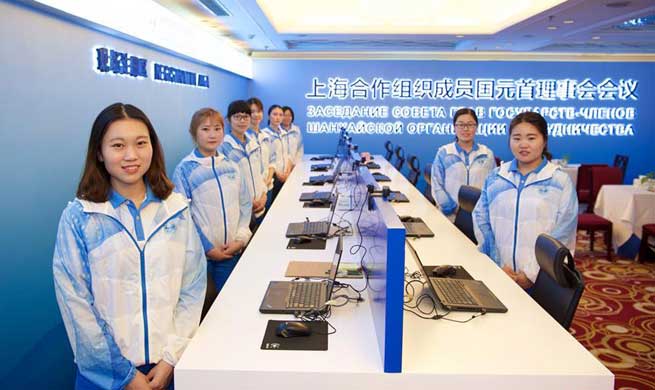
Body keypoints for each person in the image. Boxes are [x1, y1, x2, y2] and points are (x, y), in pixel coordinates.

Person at [53, 103, 206, 390]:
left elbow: (193, 286)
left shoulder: (175, 208)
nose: (131, 155)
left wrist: (171, 359)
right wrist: (124, 375)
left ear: (153, 147)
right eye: (118, 145)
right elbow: (76, 303)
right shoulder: (81, 217)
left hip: (167, 369)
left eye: (140, 143)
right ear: (99, 152)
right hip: (106, 375)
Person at [473, 111, 578, 289]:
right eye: (516, 138)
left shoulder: (559, 181)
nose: (523, 144)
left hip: (542, 278)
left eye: (531, 138)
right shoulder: (497, 177)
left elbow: (563, 234)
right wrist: (498, 265)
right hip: (500, 273)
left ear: (544, 141)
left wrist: (531, 274)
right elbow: (481, 219)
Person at [172, 108, 252, 295]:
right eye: (205, 129)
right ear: (194, 133)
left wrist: (240, 239)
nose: (212, 134)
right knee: (205, 309)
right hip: (202, 258)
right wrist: (208, 248)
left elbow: (245, 205)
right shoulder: (185, 170)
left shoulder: (231, 166)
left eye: (217, 128)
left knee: (231, 300)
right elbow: (183, 216)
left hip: (232, 251)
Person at [431, 107, 496, 220]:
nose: (465, 129)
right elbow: (437, 184)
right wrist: (451, 208)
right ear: (454, 127)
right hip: (449, 216)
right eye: (460, 125)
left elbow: (492, 186)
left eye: (470, 124)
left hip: (477, 217)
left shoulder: (487, 154)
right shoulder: (445, 153)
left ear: (476, 127)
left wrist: (481, 210)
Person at [220, 100, 267, 228]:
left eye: (245, 117)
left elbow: (260, 173)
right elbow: (226, 185)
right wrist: (247, 204)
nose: (242, 121)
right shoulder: (223, 148)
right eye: (237, 117)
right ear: (229, 120)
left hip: (260, 206)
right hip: (241, 213)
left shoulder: (253, 143)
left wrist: (263, 195)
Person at [247, 97, 276, 214]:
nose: (256, 115)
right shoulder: (245, 139)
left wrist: (268, 180)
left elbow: (272, 161)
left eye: (258, 111)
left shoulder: (265, 136)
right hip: (254, 195)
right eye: (252, 112)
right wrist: (262, 188)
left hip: (268, 187)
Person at [262, 104, 291, 199]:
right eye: (274, 114)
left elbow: (288, 154)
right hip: (274, 176)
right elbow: (268, 160)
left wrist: (287, 173)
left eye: (280, 115)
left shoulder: (284, 133)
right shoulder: (264, 134)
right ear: (268, 116)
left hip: (286, 175)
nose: (278, 117)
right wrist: (279, 175)